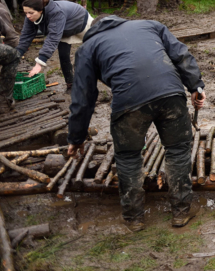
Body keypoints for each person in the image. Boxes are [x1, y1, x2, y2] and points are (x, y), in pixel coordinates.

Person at [67, 16, 205, 231]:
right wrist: (196, 86)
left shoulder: (88, 47)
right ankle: (181, 212)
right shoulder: (150, 25)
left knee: (128, 157)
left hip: (129, 103)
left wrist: (76, 138)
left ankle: (134, 219)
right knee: (178, 150)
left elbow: (83, 98)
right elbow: (181, 55)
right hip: (171, 94)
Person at [16, 0, 92, 91]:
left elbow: (52, 38)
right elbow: (26, 36)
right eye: (26, 13)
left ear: (41, 11)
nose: (27, 16)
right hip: (63, 30)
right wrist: (16, 56)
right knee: (64, 55)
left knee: (95, 49)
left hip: (80, 22)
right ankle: (71, 84)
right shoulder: (30, 17)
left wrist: (39, 63)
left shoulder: (56, 13)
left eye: (30, 13)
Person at [0, 4, 20, 112]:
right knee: (13, 55)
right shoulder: (0, 10)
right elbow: (12, 37)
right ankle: (3, 100)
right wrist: (20, 50)